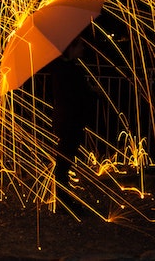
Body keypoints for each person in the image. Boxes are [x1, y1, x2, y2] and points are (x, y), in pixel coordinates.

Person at [46, 33, 97, 214]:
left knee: (64, 161)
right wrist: (89, 91)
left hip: (66, 120)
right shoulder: (68, 70)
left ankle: (63, 199)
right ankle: (64, 202)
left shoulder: (62, 68)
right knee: (64, 162)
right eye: (80, 45)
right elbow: (74, 97)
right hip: (69, 121)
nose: (83, 48)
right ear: (71, 48)